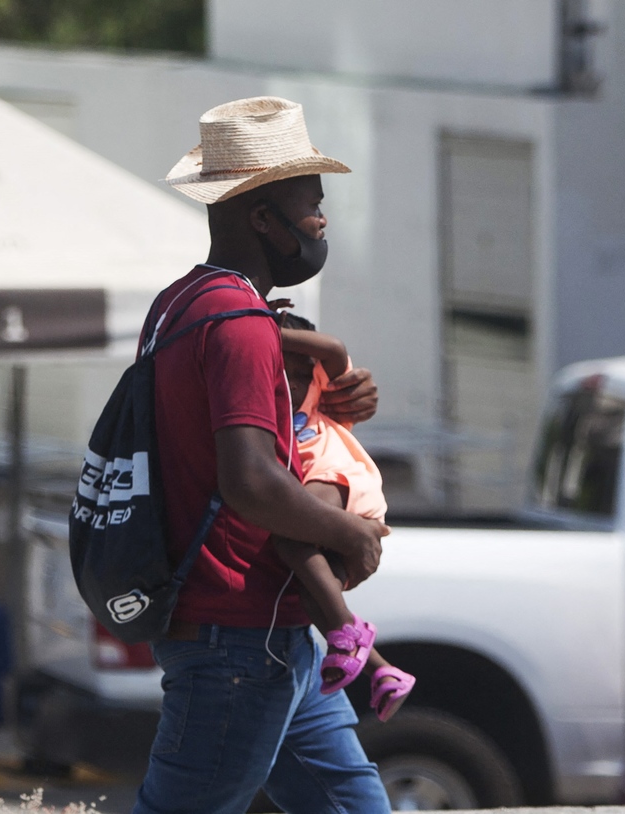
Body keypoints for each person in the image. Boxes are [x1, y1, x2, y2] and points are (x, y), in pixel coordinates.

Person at [132, 96, 391, 814]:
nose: (321, 221)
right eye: (311, 204)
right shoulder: (241, 324)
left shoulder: (182, 304)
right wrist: (349, 532)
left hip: (272, 632)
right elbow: (249, 480)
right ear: (261, 218)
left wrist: (330, 375)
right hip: (238, 639)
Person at [271, 307, 415, 721]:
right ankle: (384, 672)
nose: (293, 385)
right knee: (314, 597)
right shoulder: (263, 419)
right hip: (330, 509)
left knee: (290, 533)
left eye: (301, 375)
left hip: (345, 484)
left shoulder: (324, 404)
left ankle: (349, 637)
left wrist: (265, 333)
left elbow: (332, 348)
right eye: (282, 374)